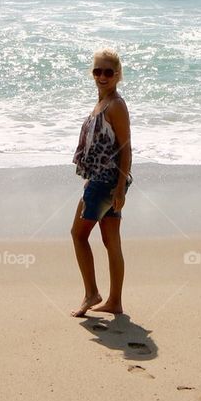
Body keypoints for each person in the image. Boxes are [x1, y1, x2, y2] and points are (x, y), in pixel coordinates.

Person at [70, 48, 132, 317]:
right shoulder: (102, 102)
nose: (102, 76)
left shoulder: (116, 105)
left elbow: (126, 148)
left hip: (105, 182)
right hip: (105, 181)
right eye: (97, 71)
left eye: (108, 72)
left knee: (78, 234)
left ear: (118, 75)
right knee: (111, 240)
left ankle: (91, 293)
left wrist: (119, 188)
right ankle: (115, 302)